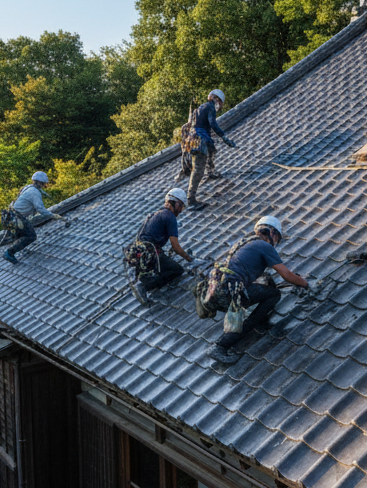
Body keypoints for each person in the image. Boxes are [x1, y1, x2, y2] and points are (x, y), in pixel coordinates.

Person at [203, 215, 309, 364]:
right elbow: (286, 274)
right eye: (277, 237)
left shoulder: (245, 243)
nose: (276, 242)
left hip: (213, 291)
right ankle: (220, 346)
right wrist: (304, 283)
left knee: (264, 291)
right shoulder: (264, 246)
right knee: (274, 295)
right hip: (229, 292)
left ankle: (251, 322)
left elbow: (258, 275)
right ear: (272, 232)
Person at [127, 188, 196, 305]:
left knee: (164, 264)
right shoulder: (170, 216)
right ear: (176, 203)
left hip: (138, 254)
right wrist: (190, 259)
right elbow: (176, 246)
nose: (181, 210)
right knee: (177, 270)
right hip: (149, 253)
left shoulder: (155, 214)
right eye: (182, 206)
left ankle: (146, 278)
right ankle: (144, 286)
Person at [2, 171, 69, 264]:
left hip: (11, 216)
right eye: (44, 184)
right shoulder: (34, 192)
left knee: (22, 233)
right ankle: (9, 253)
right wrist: (53, 215)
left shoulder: (28, 188)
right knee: (31, 235)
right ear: (41, 183)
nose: (44, 186)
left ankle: (18, 247)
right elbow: (40, 208)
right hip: (17, 217)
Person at [187, 89, 236, 211]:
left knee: (212, 149)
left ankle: (211, 171)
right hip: (199, 140)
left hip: (193, 139)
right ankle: (191, 199)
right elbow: (213, 124)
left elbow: (201, 126)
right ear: (216, 99)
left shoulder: (200, 108)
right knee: (198, 169)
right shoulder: (210, 107)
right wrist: (223, 137)